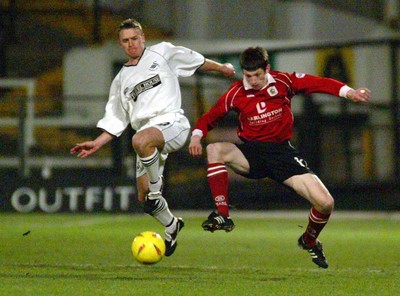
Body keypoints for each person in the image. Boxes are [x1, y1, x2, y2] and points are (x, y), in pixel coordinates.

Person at [188, 46, 371, 268]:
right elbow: (210, 117)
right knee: (214, 149)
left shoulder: (284, 81)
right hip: (252, 154)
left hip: (282, 155)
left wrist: (349, 92)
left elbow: (319, 83)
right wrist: (197, 136)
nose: (253, 80)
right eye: (248, 75)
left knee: (325, 203)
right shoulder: (235, 93)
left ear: (267, 68)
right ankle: (223, 214)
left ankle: (309, 240)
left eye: (257, 74)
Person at [70, 18, 235, 257]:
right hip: (147, 135)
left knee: (140, 143)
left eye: (134, 39)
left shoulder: (163, 53)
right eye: (125, 41)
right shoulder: (120, 80)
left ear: (143, 37)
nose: (131, 44)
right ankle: (171, 225)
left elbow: (195, 60)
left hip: (172, 124)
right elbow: (116, 118)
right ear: (120, 44)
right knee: (144, 198)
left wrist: (222, 68)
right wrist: (97, 142)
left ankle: (157, 189)